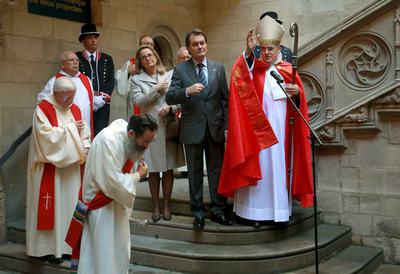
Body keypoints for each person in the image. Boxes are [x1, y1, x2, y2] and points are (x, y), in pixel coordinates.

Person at [218, 15, 313, 228]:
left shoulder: (288, 71)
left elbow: (299, 102)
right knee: (258, 169)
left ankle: (278, 212)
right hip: (257, 135)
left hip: (280, 136)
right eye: (264, 49)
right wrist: (249, 51)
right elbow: (238, 76)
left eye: (271, 49)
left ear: (279, 50)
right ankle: (253, 213)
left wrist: (297, 92)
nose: (267, 53)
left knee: (278, 170)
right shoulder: (253, 70)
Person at [66, 114, 157, 274]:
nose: (147, 146)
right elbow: (111, 182)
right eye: (145, 141)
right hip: (101, 209)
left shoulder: (129, 140)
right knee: (102, 255)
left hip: (115, 204)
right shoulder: (108, 141)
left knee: (118, 251)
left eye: (151, 141)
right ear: (131, 134)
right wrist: (137, 176)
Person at [166, 29, 231, 229]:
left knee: (216, 171)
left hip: (215, 128)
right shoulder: (180, 69)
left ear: (206, 45)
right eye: (195, 44)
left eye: (202, 42)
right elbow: (170, 96)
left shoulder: (218, 68)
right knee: (194, 172)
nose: (200, 46)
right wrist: (187, 91)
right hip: (192, 128)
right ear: (189, 48)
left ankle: (218, 210)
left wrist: (227, 127)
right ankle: (198, 213)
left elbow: (224, 100)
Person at [26, 77, 91, 264]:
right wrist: (71, 130)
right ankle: (47, 249)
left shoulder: (75, 110)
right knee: (51, 209)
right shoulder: (43, 109)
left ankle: (69, 247)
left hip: (70, 172)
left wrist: (86, 146)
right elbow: (46, 139)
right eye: (67, 97)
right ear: (56, 93)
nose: (71, 101)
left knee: (68, 208)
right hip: (50, 170)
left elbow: (84, 134)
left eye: (73, 96)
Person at [129, 45, 185, 222]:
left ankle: (167, 204)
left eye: (150, 55)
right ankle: (155, 205)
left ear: (156, 56)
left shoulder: (169, 74)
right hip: (149, 129)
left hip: (168, 127)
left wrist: (171, 108)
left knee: (168, 169)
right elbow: (138, 101)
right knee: (152, 170)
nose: (148, 58)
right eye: (144, 57)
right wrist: (156, 90)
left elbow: (180, 99)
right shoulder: (136, 80)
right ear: (141, 62)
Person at [37, 50, 94, 137]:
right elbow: (43, 103)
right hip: (65, 129)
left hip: (85, 125)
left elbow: (90, 103)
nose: (75, 62)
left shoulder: (86, 80)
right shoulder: (54, 81)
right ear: (63, 65)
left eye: (77, 60)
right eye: (71, 60)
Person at [76, 23, 115, 136]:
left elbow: (110, 81)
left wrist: (102, 99)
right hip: (84, 105)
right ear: (83, 41)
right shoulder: (77, 58)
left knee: (100, 135)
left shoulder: (107, 59)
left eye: (95, 37)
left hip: (103, 105)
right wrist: (90, 100)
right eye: (89, 37)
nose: (93, 40)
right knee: (84, 135)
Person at [116, 35, 155, 116]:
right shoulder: (131, 63)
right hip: (135, 107)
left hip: (153, 106)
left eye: (151, 44)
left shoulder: (157, 64)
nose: (150, 47)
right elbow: (121, 89)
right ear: (140, 46)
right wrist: (128, 72)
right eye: (147, 44)